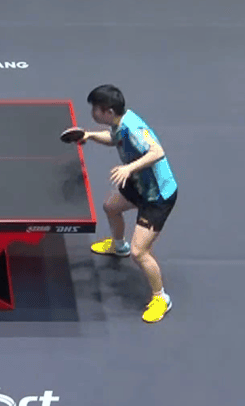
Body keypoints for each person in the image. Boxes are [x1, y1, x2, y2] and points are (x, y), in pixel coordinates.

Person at [70, 85, 178, 323]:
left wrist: (128, 168)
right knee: (111, 207)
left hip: (157, 195)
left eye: (95, 109)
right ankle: (119, 247)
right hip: (140, 184)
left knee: (140, 252)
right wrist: (89, 135)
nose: (92, 113)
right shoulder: (119, 123)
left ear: (108, 111)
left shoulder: (134, 128)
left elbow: (157, 151)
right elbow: (113, 138)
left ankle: (161, 298)